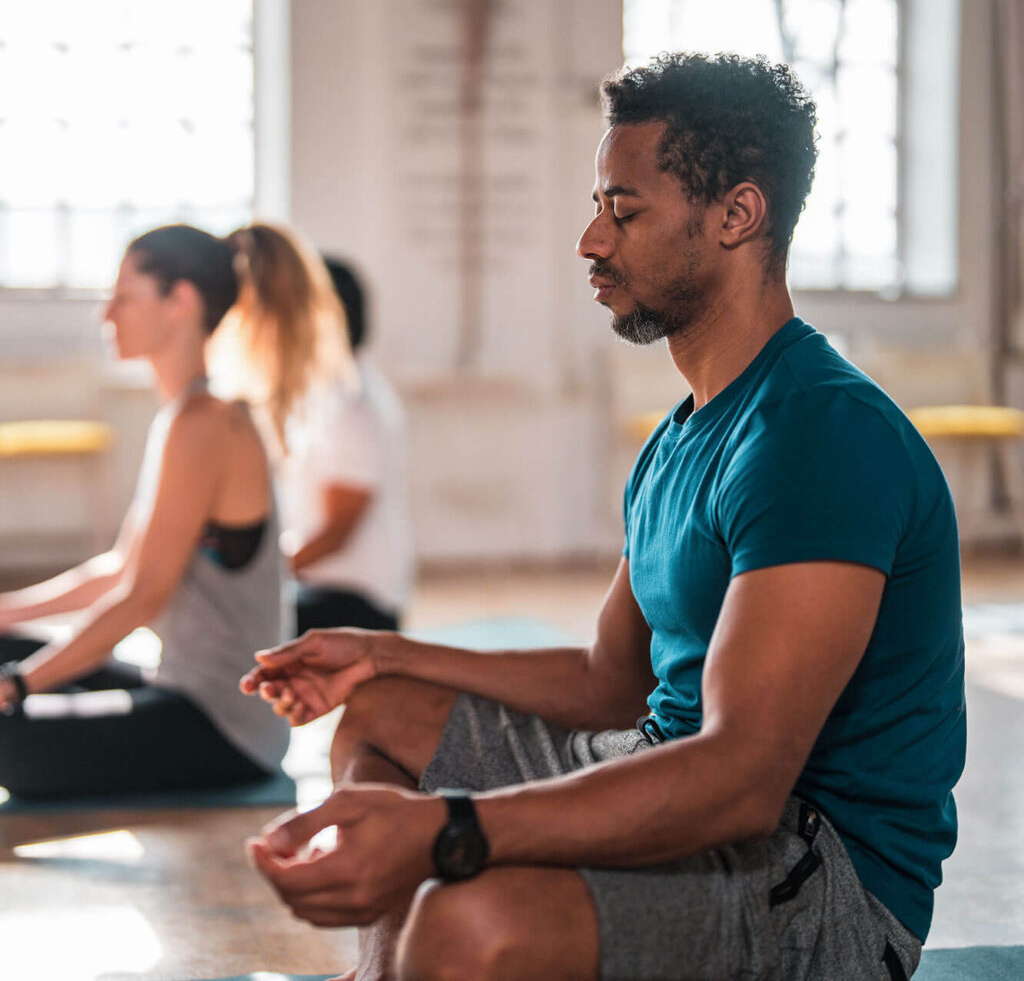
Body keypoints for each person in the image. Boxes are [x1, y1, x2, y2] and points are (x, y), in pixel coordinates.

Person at [240, 53, 966, 981]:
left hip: (815, 881)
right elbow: (607, 680)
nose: (591, 240)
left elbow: (743, 779)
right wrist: (381, 653)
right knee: (378, 715)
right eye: (598, 208)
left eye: (624, 212)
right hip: (662, 758)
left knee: (474, 918)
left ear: (738, 216)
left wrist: (451, 831)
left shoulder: (820, 436)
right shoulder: (682, 435)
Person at [0, 224, 296, 798]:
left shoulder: (206, 424)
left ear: (180, 302)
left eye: (124, 296)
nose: (105, 314)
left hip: (220, 728)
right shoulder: (184, 417)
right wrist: (6, 611)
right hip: (174, 688)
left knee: (8, 738)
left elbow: (142, 598)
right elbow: (119, 569)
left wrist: (19, 686)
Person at [276, 256, 413, 635]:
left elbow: (337, 532)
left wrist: (265, 571)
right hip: (321, 588)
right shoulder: (324, 392)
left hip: (356, 603)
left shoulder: (353, 402)